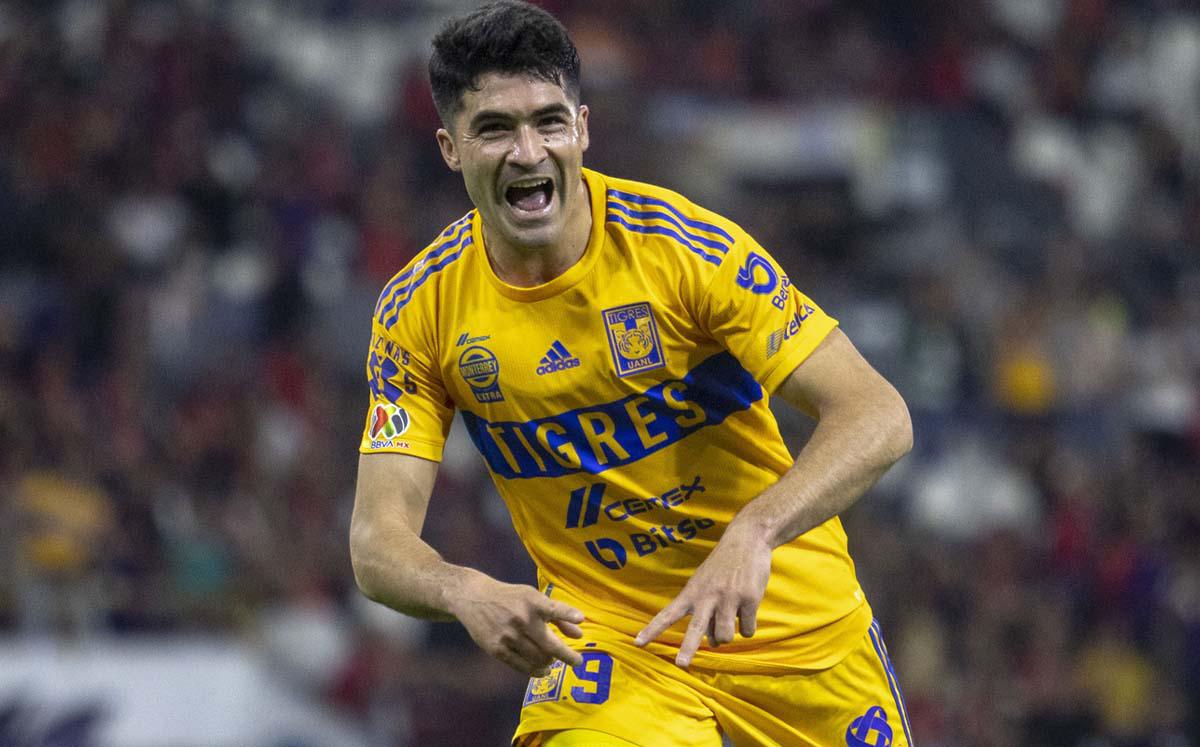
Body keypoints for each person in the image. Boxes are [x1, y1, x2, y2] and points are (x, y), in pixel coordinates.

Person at [349, 2, 914, 745]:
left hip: (795, 631)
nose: (528, 152)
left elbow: (878, 414)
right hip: (616, 647)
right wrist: (461, 589)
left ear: (582, 128)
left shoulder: (686, 253)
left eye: (549, 122)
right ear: (451, 148)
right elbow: (376, 540)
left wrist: (756, 530)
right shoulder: (418, 313)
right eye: (494, 129)